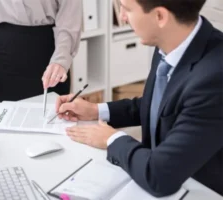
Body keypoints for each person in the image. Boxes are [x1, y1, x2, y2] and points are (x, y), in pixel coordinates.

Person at [55, 0, 223, 197]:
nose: (123, 17)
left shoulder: (214, 77)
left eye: (126, 9)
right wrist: (95, 110)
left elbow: (160, 177)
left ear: (160, 16)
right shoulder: (170, 42)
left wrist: (111, 139)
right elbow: (160, 106)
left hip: (198, 189)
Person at [0, 0, 82, 106]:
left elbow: (69, 20)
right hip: (3, 61)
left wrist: (60, 60)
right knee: (9, 124)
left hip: (50, 59)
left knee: (54, 121)